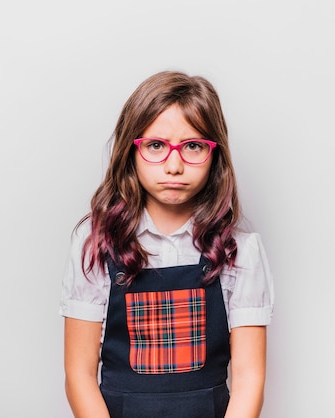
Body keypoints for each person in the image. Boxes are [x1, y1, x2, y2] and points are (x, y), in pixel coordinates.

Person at [59, 70, 274, 418]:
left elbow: (250, 379)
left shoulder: (239, 251)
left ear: (214, 153)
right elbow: (78, 375)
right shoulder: (95, 245)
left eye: (193, 146)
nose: (174, 166)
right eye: (156, 146)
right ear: (131, 150)